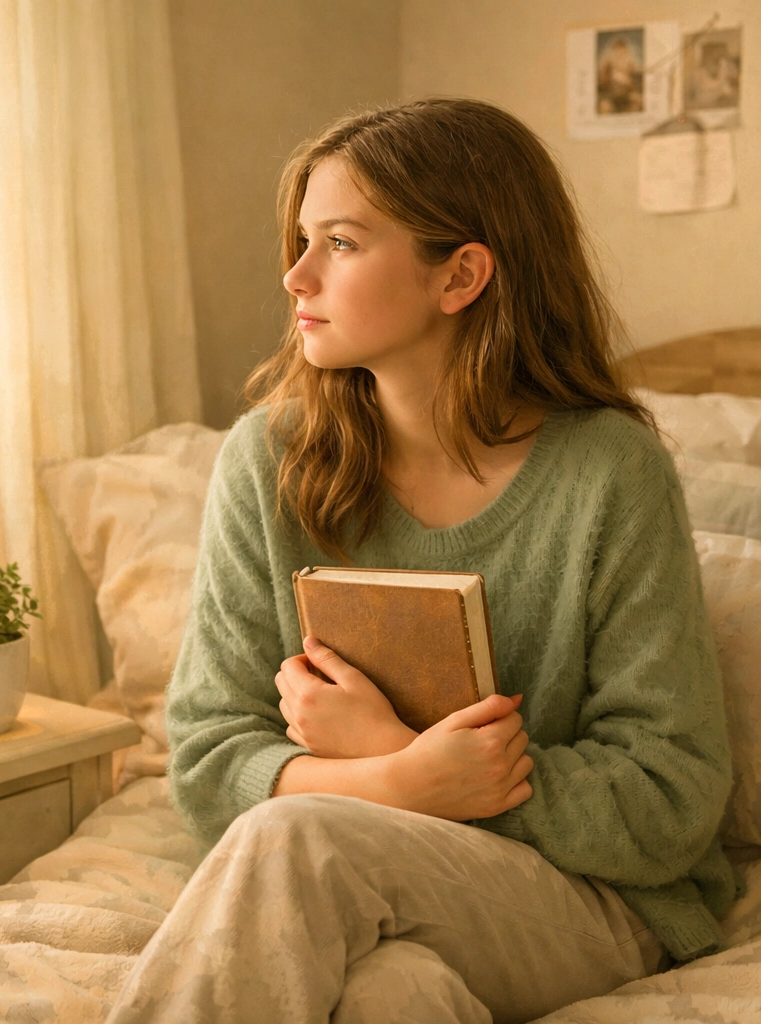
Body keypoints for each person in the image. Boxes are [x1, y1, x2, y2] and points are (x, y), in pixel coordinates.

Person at [106, 99, 737, 1024]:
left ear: (462, 276)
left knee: (296, 842)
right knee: (389, 998)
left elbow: (669, 793)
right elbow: (205, 761)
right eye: (302, 239)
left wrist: (402, 764)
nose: (295, 274)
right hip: (372, 877)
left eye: (342, 244)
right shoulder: (267, 459)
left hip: (585, 896)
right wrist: (397, 778)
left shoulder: (610, 473)